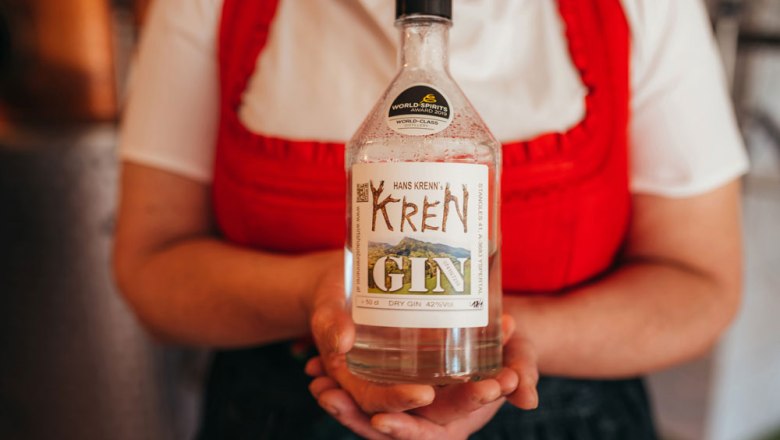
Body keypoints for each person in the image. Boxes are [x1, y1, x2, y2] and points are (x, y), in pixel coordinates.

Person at [113, 0, 748, 438]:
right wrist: (318, 293)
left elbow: (702, 284)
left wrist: (501, 346)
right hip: (279, 411)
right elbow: (151, 267)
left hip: (570, 415)